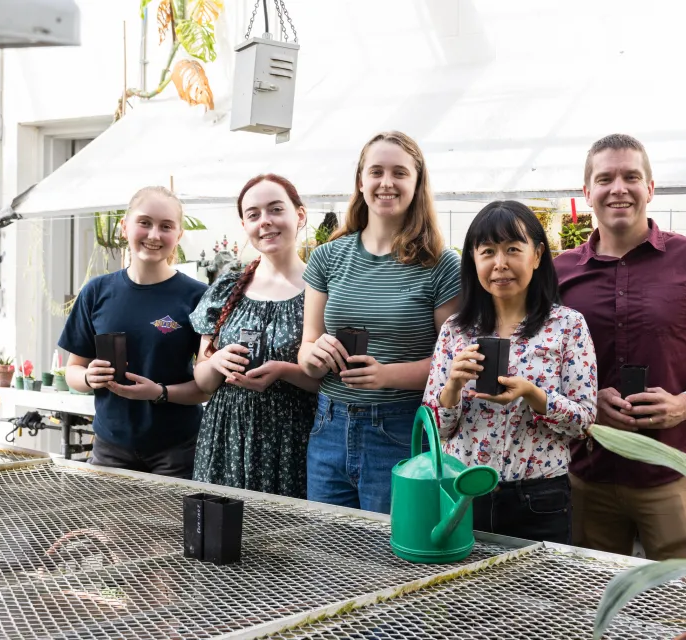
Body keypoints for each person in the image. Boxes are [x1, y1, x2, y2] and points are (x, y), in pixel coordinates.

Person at [554, 134, 686, 561]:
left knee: (685, 605)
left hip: (673, 471)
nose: (618, 188)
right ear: (587, 192)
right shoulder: (558, 274)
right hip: (588, 474)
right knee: (591, 604)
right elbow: (539, 365)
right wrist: (584, 404)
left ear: (650, 188)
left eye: (631, 176)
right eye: (605, 178)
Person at [298, 131, 461, 513]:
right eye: (376, 171)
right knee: (327, 553)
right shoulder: (326, 258)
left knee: (389, 560)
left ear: (417, 182)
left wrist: (385, 376)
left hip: (400, 428)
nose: (386, 183)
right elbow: (307, 345)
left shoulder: (440, 264)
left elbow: (451, 365)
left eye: (400, 173)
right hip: (329, 425)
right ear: (360, 181)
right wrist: (314, 357)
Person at [423, 201, 597, 544]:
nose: (500, 264)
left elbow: (584, 422)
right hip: (462, 492)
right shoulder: (456, 330)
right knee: (462, 595)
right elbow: (436, 427)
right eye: (487, 251)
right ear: (473, 260)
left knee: (538, 596)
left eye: (513, 249)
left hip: (539, 497)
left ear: (537, 255)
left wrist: (533, 394)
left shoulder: (567, 326)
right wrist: (453, 386)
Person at [59, 186, 209, 478]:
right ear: (124, 227)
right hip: (110, 448)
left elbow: (205, 387)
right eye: (145, 223)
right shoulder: (96, 292)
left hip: (178, 450)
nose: (154, 235)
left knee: (170, 525)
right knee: (106, 524)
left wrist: (160, 393)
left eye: (166, 226)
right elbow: (72, 370)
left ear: (178, 236)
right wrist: (89, 377)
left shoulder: (198, 297)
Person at [190, 174, 320, 498]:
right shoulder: (227, 288)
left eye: (276, 210)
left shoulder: (321, 291)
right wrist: (215, 361)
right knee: (221, 540)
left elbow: (331, 382)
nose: (265, 221)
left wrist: (283, 372)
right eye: (254, 214)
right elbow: (203, 383)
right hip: (225, 438)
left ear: (299, 216)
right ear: (244, 225)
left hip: (291, 439)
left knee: (283, 542)